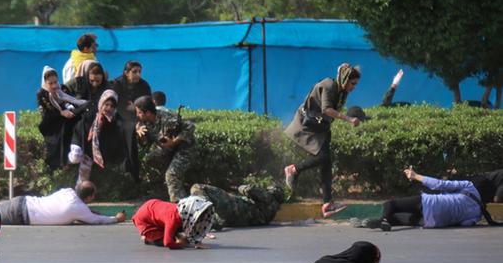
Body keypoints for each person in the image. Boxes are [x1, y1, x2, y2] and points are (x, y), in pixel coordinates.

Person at [283, 63, 362, 218]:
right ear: (345, 79)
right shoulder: (329, 85)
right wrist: (349, 118)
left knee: (326, 163)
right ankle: (293, 170)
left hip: (321, 126)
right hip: (307, 124)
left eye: (356, 84)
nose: (354, 87)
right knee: (323, 158)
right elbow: (327, 109)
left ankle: (327, 204)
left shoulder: (341, 90)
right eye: (353, 83)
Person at [362, 167, 495, 231]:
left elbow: (439, 184)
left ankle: (382, 219)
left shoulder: (469, 186)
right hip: (432, 222)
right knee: (396, 218)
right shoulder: (477, 215)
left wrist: (415, 176)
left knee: (390, 204)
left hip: (430, 203)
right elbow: (463, 224)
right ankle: (381, 221)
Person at [68, 89, 139, 184]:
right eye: (106, 104)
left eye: (112, 106)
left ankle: (81, 193)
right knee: (75, 157)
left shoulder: (114, 118)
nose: (109, 108)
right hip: (80, 141)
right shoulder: (91, 109)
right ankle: (65, 160)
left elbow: (125, 125)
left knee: (84, 176)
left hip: (93, 151)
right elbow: (74, 115)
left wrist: (136, 128)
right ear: (101, 102)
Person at [135, 95, 195, 202]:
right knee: (149, 159)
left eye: (139, 112)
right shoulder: (144, 121)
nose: (137, 115)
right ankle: (166, 189)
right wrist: (140, 135)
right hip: (166, 149)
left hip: (183, 149)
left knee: (171, 175)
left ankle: (179, 205)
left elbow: (190, 126)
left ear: (148, 113)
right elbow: (145, 143)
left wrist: (174, 142)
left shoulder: (168, 116)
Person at [0, 181, 126, 225]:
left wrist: (88, 211)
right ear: (89, 197)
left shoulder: (67, 191)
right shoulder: (79, 209)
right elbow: (98, 220)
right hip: (20, 214)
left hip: (23, 201)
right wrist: (116, 219)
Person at [37, 66, 88, 170]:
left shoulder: (62, 89)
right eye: (51, 83)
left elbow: (70, 101)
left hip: (66, 116)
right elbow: (48, 113)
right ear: (45, 83)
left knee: (83, 111)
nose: (55, 86)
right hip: (51, 122)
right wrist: (61, 113)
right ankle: (62, 162)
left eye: (56, 82)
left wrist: (67, 110)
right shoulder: (42, 94)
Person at [132, 196, 215, 250]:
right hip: (144, 220)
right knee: (165, 240)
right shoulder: (173, 219)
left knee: (178, 232)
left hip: (153, 208)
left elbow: (191, 225)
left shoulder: (183, 211)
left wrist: (198, 239)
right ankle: (147, 239)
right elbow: (167, 242)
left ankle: (169, 233)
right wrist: (181, 245)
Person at [190, 183, 284, 229]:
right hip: (232, 220)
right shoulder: (270, 215)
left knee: (197, 187)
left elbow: (248, 189)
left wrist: (240, 187)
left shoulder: (268, 197)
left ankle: (203, 214)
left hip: (232, 205)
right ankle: (209, 222)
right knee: (216, 220)